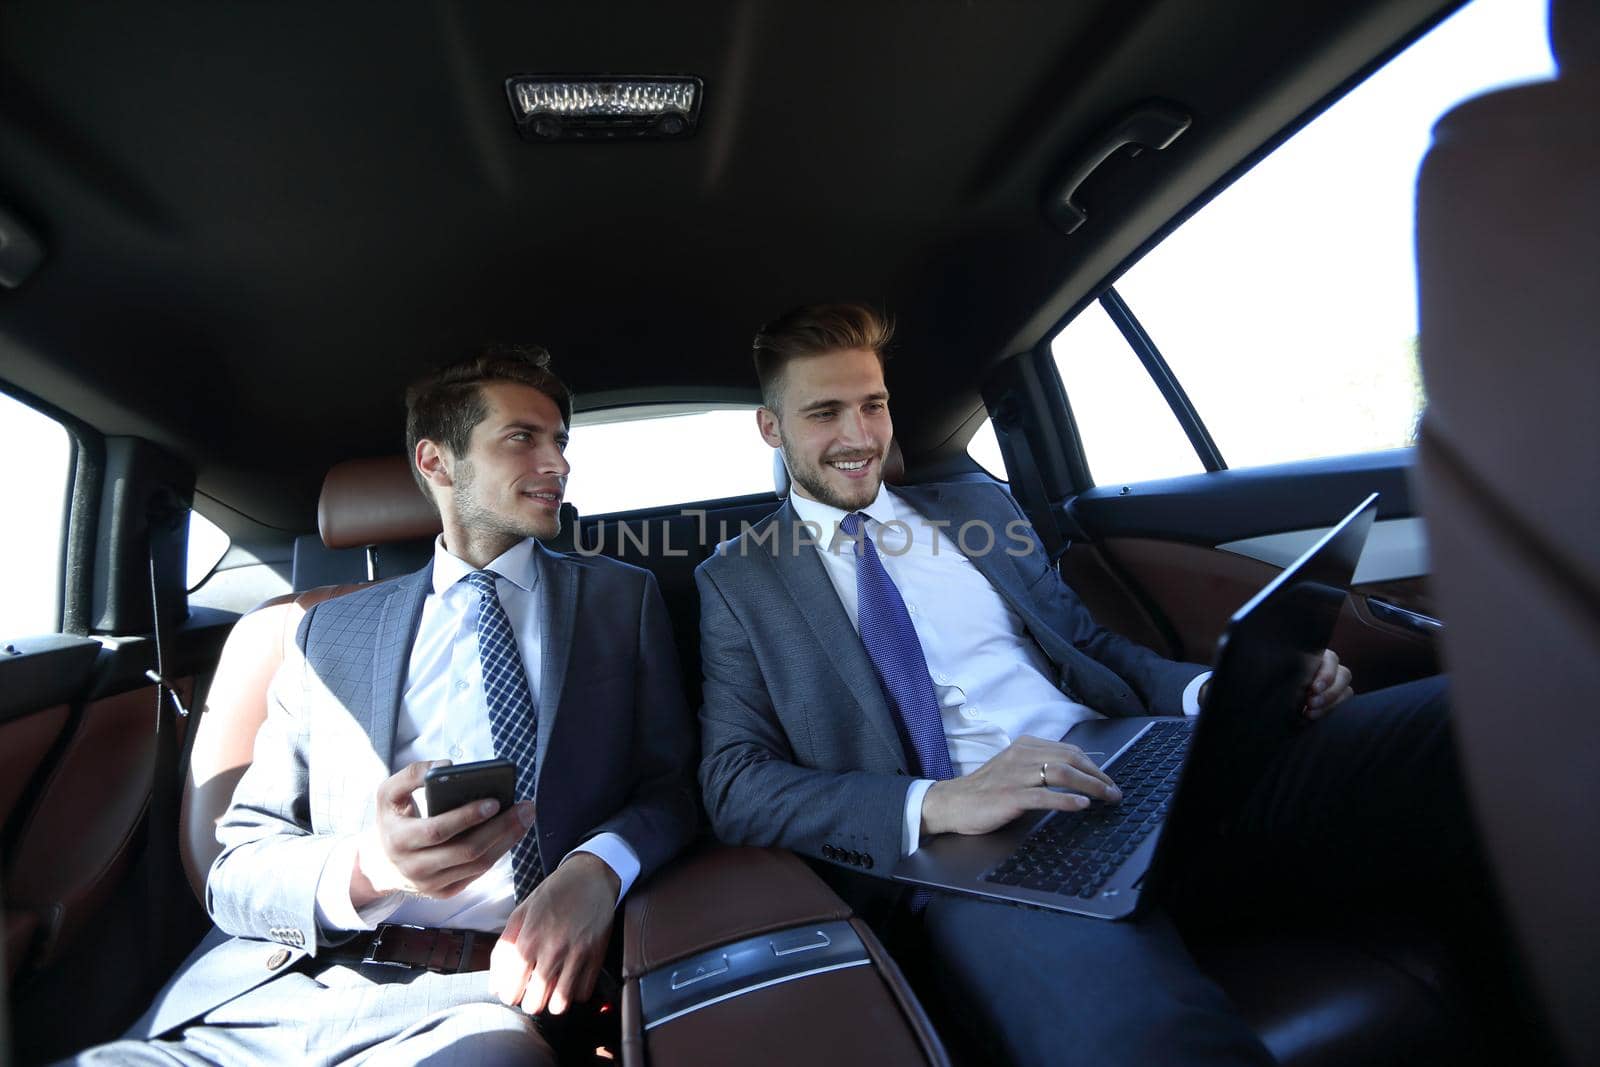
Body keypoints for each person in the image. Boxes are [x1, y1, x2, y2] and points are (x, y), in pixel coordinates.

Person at [696, 303, 1482, 1065]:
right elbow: (735, 782)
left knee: (1473, 726)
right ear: (772, 429)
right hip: (977, 860)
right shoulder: (738, 580)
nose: (859, 436)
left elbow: (1092, 645)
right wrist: (936, 801)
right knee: (1140, 1044)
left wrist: (1223, 695)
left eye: (873, 404)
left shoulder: (975, 508)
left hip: (1142, 767)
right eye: (824, 412)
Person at [76, 346, 699, 1065]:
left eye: (560, 439)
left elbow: (675, 790)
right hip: (278, 994)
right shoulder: (324, 632)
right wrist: (370, 866)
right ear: (437, 462)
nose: (557, 462)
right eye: (523, 438)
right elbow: (237, 865)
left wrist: (595, 869)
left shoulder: (622, 598)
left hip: (485, 998)